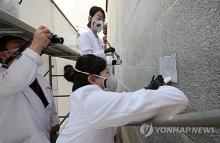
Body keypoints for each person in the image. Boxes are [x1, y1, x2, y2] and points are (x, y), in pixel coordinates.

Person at [56, 54, 188, 143]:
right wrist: (159, 90)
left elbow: (125, 103)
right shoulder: (93, 101)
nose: (109, 77)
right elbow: (178, 98)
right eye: (106, 73)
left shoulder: (83, 98)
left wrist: (146, 91)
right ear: (91, 78)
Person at [0, 25, 60, 143]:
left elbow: (49, 104)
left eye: (26, 45)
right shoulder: (3, 78)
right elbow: (15, 80)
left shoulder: (38, 77)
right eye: (18, 45)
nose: (25, 49)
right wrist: (35, 45)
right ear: (2, 55)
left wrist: (54, 122)